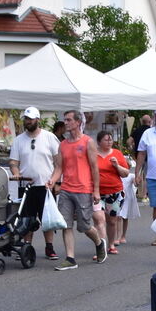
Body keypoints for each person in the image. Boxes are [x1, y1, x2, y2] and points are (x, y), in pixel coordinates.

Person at [53, 110, 106, 271]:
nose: (66, 123)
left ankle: (99, 242)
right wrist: (52, 180)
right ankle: (70, 258)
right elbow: (59, 167)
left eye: (69, 120)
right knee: (65, 224)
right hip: (66, 189)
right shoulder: (62, 144)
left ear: (77, 122)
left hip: (84, 189)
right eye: (65, 120)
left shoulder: (87, 142)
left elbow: (94, 168)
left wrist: (96, 191)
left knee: (84, 226)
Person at [8, 107, 61, 260]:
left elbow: (58, 162)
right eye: (26, 119)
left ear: (37, 119)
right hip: (26, 186)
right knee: (26, 217)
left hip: (45, 184)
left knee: (47, 217)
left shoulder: (49, 137)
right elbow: (13, 162)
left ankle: (49, 247)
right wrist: (16, 173)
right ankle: (26, 247)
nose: (28, 121)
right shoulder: (19, 140)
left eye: (30, 119)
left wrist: (56, 181)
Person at [95, 131, 129, 252]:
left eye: (110, 140)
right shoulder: (93, 154)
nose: (109, 142)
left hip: (115, 191)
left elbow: (125, 174)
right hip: (97, 192)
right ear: (99, 142)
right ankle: (101, 248)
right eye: (106, 140)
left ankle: (111, 244)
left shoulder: (117, 154)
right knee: (100, 220)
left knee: (112, 220)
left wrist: (116, 166)